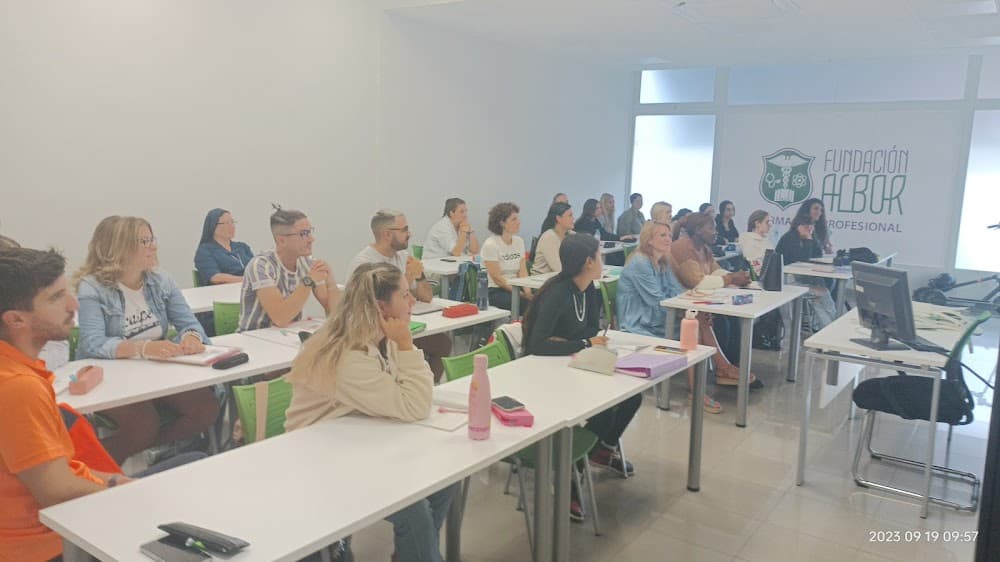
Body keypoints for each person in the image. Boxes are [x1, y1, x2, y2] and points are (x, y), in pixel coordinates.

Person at [0, 247, 204, 561]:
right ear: (15, 319)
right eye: (56, 298)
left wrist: (112, 480)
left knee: (191, 461)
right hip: (51, 543)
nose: (73, 304)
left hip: (53, 524)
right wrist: (121, 491)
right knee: (192, 474)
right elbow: (56, 490)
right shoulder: (17, 387)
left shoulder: (15, 372)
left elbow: (55, 475)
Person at [284, 262, 456, 562]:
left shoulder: (375, 334)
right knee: (413, 508)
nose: (412, 301)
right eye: (404, 295)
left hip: (357, 440)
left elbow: (415, 396)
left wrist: (401, 345)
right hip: (318, 460)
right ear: (380, 306)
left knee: (443, 478)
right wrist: (406, 344)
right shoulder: (348, 353)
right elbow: (414, 405)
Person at [74, 216, 219, 462]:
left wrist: (192, 337)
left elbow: (189, 323)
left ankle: (148, 455)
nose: (154, 246)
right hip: (110, 373)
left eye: (152, 239)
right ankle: (93, 466)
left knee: (206, 409)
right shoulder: (93, 287)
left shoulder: (161, 280)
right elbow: (92, 343)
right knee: (143, 426)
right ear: (119, 246)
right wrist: (143, 348)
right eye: (145, 241)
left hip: (155, 370)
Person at [523, 234, 640, 520]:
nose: (603, 261)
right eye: (600, 256)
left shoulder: (590, 290)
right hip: (543, 372)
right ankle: (570, 476)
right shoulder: (557, 293)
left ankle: (602, 450)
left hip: (573, 363)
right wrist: (582, 344)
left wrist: (576, 342)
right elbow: (538, 344)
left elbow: (588, 332)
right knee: (599, 408)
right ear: (588, 262)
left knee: (631, 395)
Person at [616, 222, 722, 413]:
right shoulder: (640, 262)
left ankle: (719, 371)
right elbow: (656, 302)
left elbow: (677, 291)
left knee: (699, 321)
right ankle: (699, 388)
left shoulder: (662, 261)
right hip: (641, 321)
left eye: (668, 235)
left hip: (658, 315)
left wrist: (693, 305)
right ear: (649, 240)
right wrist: (687, 313)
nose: (668, 239)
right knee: (692, 329)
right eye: (662, 235)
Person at [347, 210, 452, 380]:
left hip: (401, 323)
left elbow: (426, 297)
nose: (409, 234)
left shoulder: (402, 257)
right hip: (376, 332)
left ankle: (427, 388)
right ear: (387, 234)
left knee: (442, 343)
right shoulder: (364, 263)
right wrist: (409, 277)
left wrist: (420, 275)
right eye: (404, 230)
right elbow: (370, 306)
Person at [671, 213, 762, 389]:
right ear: (697, 230)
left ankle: (731, 365)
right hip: (681, 305)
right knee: (721, 323)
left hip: (697, 300)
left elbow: (715, 271)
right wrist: (731, 279)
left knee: (734, 318)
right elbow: (696, 281)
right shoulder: (682, 248)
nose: (716, 232)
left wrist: (733, 277)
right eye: (711, 228)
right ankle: (723, 368)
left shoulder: (704, 248)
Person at [239, 206, 339, 331]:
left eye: (310, 232)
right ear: (282, 241)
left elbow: (334, 314)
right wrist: (308, 281)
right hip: (254, 338)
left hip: (287, 336)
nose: (311, 239)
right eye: (303, 234)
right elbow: (280, 318)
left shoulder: (307, 263)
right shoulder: (261, 265)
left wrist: (330, 282)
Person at [775, 217, 836, 331]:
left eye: (811, 226)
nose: (809, 229)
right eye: (806, 226)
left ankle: (827, 333)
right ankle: (828, 333)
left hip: (802, 278)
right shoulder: (789, 238)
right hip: (787, 280)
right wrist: (808, 238)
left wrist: (812, 238)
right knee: (822, 295)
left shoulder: (807, 237)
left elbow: (817, 255)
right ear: (798, 226)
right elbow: (802, 259)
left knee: (823, 298)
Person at [480, 202, 531, 311]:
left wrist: (528, 292)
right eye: (514, 219)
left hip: (517, 286)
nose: (518, 222)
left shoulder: (519, 241)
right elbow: (498, 279)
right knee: (528, 305)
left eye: (517, 218)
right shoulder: (491, 244)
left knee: (542, 300)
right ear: (502, 223)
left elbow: (522, 271)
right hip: (496, 290)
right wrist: (521, 295)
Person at [194, 208, 255, 286]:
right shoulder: (205, 251)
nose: (232, 226)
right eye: (226, 223)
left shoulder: (242, 247)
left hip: (248, 289)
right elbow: (215, 277)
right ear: (213, 226)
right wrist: (245, 280)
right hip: (223, 293)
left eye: (232, 222)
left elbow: (255, 269)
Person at [573, 199, 628, 266]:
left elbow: (604, 234)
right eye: (597, 208)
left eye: (600, 208)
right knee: (614, 258)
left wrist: (620, 237)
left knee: (620, 253)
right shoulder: (581, 223)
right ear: (590, 209)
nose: (600, 210)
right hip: (588, 253)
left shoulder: (595, 220)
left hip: (599, 248)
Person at [531, 202, 574, 275]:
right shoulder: (549, 237)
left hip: (559, 279)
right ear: (558, 218)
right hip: (541, 281)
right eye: (570, 215)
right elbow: (558, 268)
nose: (573, 218)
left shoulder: (572, 235)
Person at [739, 210, 773, 277]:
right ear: (757, 223)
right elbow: (756, 268)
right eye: (767, 222)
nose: (770, 225)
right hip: (759, 279)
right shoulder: (748, 241)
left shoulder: (765, 239)